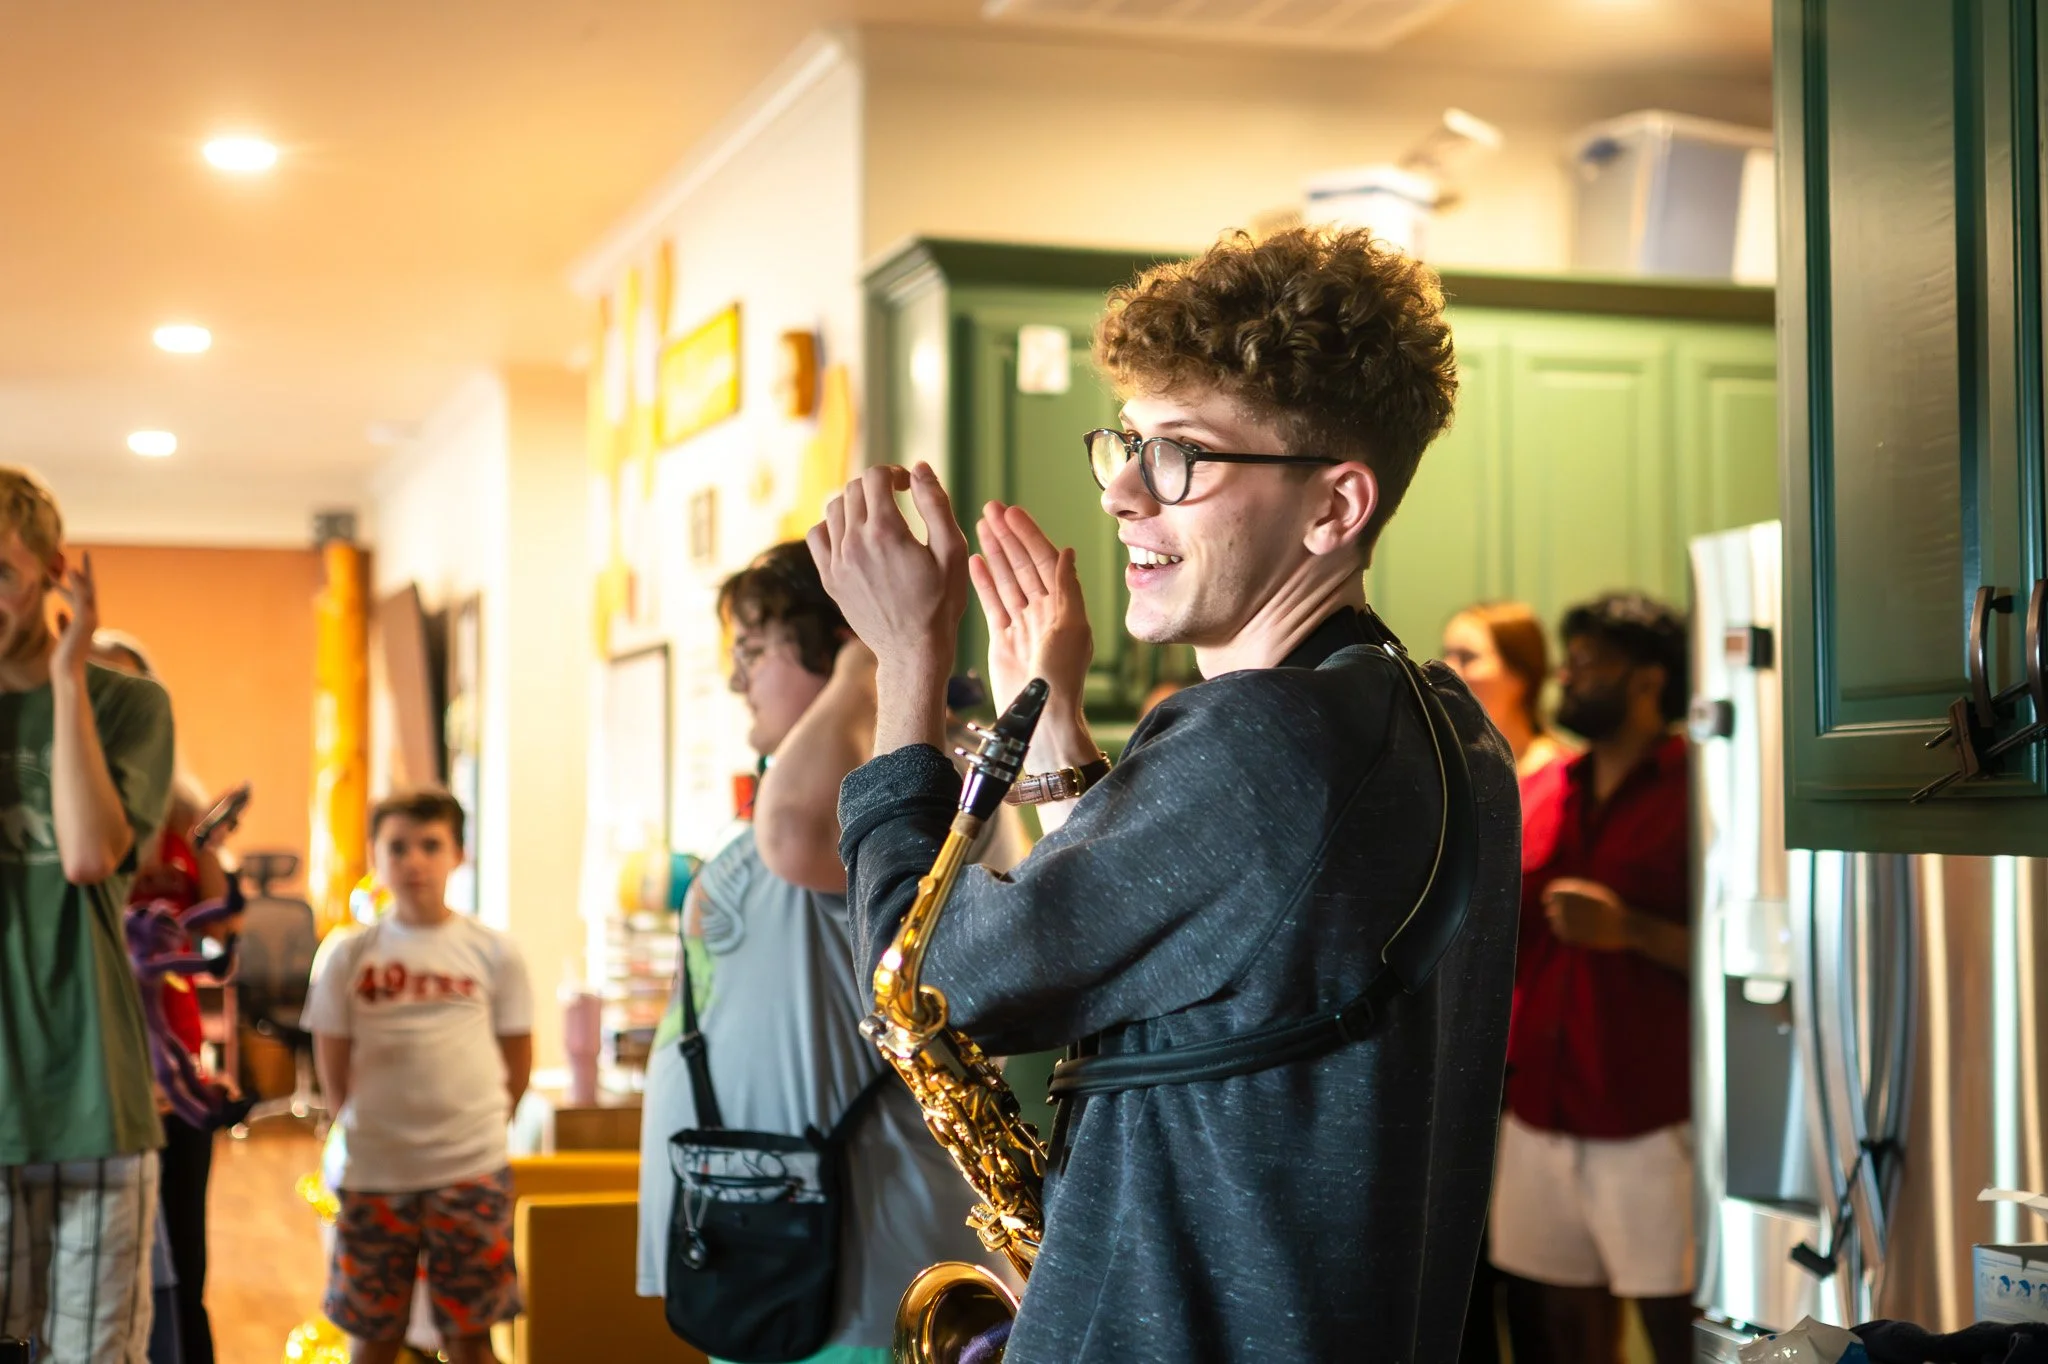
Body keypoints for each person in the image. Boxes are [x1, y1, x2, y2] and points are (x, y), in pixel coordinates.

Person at [807, 226, 1522, 1363]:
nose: (1124, 495)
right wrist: (1043, 703)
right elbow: (1184, 940)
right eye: (1127, 444)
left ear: (1333, 508)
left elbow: (922, 983)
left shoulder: (1259, 739)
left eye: (1181, 455)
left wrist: (904, 658)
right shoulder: (1439, 727)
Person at [635, 541, 1011, 1364]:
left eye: (752, 651)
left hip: (860, 1251)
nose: (738, 681)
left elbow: (794, 833)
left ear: (836, 638)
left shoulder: (917, 784)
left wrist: (870, 655)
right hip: (769, 1234)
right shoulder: (837, 775)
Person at [1487, 591, 1693, 1364]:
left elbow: (1750, 954)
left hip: (1651, 1115)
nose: (1565, 677)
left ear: (1646, 681)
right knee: (1554, 1334)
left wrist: (1630, 931)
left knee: (1679, 1333)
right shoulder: (1547, 789)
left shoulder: (1698, 791)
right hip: (1538, 1105)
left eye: (1587, 663)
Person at [0, 467, 177, 1364]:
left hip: (93, 1105)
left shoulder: (127, 705)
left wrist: (68, 682)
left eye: (0, 573)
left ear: (51, 573)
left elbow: (86, 855)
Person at [301, 789, 533, 1364]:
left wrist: (479, 1130)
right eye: (397, 847)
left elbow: (517, 1059)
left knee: (471, 1336)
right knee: (374, 1335)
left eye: (431, 846)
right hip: (375, 1171)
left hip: (469, 1171)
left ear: (458, 854)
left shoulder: (494, 952)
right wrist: (353, 1126)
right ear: (375, 857)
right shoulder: (347, 955)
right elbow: (331, 1060)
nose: (413, 861)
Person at [89, 630, 236, 1364]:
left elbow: (223, 929)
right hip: (95, 1066)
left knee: (185, 1255)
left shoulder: (185, 814)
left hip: (176, 1060)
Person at [1443, 602, 1570, 781]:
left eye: (1467, 658)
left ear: (1520, 672)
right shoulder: (1446, 774)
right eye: (1446, 655)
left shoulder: (1566, 778)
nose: (1448, 669)